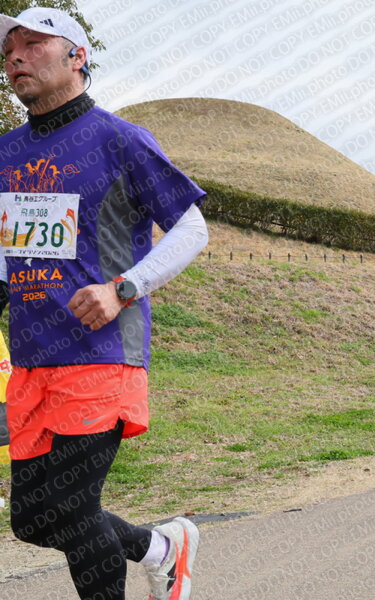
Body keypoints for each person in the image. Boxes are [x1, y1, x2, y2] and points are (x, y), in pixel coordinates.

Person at [0, 7, 207, 600]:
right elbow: (9, 250)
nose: (15, 57)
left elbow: (191, 229)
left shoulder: (119, 140)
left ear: (77, 56)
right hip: (33, 359)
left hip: (103, 350)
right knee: (33, 520)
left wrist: (123, 289)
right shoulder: (6, 151)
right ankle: (161, 548)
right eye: (9, 50)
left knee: (71, 504)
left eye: (33, 44)